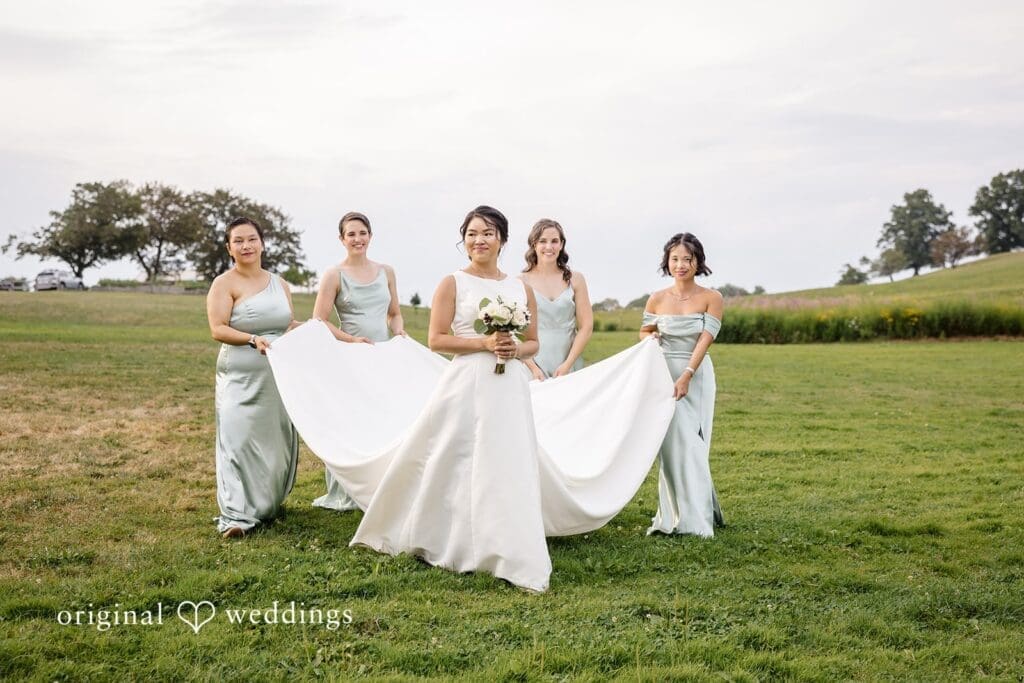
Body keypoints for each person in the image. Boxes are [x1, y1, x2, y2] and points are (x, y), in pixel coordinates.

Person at [266, 207, 678, 592]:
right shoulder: (452, 282)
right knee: (455, 456)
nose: (479, 240)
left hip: (509, 385)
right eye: (471, 234)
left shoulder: (519, 287)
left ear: (502, 239)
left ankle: (507, 542)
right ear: (463, 241)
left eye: (488, 233)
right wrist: (482, 342)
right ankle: (447, 535)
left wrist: (512, 350)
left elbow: (532, 343)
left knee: (506, 459)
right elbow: (436, 339)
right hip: (465, 380)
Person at [206, 217, 299, 538]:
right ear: (229, 248)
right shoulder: (224, 283)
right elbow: (218, 328)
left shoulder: (280, 283)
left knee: (274, 440)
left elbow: (287, 324)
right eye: (239, 241)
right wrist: (251, 338)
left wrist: (319, 333)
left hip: (277, 374)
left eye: (251, 239)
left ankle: (266, 504)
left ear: (262, 243)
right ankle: (235, 515)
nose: (246, 246)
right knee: (238, 438)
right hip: (240, 372)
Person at [309, 211, 405, 512]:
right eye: (351, 234)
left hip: (382, 356)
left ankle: (376, 484)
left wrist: (399, 333)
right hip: (348, 356)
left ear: (370, 236)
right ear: (342, 239)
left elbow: (394, 313)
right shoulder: (334, 275)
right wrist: (352, 341)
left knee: (381, 418)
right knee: (349, 421)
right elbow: (319, 321)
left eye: (362, 233)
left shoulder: (386, 271)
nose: (357, 239)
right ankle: (343, 491)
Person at [640, 232, 725, 537]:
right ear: (667, 261)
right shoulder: (657, 298)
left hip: (696, 374)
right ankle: (672, 515)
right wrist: (650, 340)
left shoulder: (711, 298)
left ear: (698, 261)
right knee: (672, 446)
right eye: (675, 259)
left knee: (693, 444)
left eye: (687, 259)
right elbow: (645, 331)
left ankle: (697, 520)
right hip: (663, 375)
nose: (680, 264)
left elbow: (706, 339)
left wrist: (687, 374)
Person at [519, 219, 593, 381]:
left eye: (554, 241)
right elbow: (513, 333)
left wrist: (568, 364)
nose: (549, 247)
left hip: (568, 362)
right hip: (532, 365)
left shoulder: (576, 279)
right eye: (543, 241)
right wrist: (531, 366)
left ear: (561, 244)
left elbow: (586, 326)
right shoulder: (521, 281)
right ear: (534, 244)